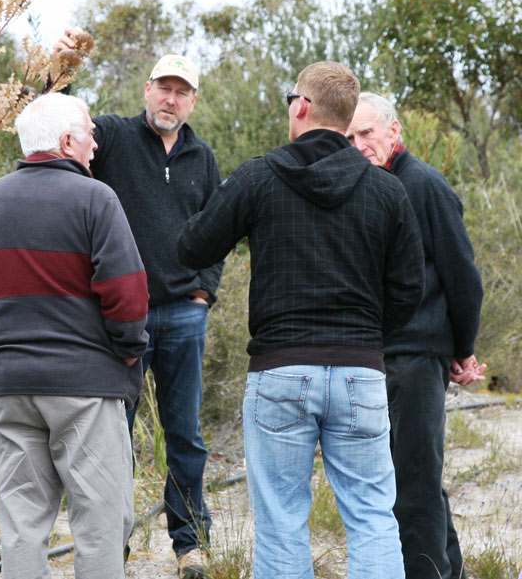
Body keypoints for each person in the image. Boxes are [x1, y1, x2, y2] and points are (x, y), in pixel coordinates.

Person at [177, 62, 426, 579]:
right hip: (360, 372)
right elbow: (409, 290)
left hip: (280, 369)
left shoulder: (259, 176)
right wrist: (366, 340)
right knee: (373, 516)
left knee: (282, 522)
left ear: (301, 106)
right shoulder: (386, 190)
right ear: (347, 116)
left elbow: (192, 247)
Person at [0, 91, 150, 579]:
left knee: (21, 524)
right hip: (85, 387)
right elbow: (127, 294)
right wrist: (127, 353)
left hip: (11, 385)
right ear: (66, 141)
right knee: (102, 522)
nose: (95, 147)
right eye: (89, 135)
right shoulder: (96, 198)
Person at [57, 29, 224, 579]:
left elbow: (217, 230)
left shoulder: (203, 157)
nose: (170, 99)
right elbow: (62, 124)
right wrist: (63, 65)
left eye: (181, 91)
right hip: (121, 315)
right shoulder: (113, 137)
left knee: (186, 435)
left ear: (192, 100)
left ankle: (189, 544)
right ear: (146, 89)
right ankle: (113, 546)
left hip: (182, 314)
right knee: (113, 434)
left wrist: (204, 291)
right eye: (162, 88)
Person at [346, 91, 486, 579]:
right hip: (377, 357)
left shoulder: (425, 184)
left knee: (415, 484)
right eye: (349, 136)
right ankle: (452, 571)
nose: (359, 143)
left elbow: (463, 276)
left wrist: (462, 349)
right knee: (410, 477)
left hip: (418, 356)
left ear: (393, 131)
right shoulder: (364, 186)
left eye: (367, 133)